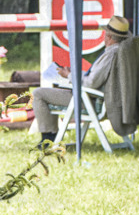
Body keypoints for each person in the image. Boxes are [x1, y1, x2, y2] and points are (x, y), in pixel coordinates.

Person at [32, 15, 131, 146]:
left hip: (93, 101)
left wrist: (68, 76)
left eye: (106, 34)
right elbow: (98, 77)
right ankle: (50, 136)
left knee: (39, 94)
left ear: (110, 37)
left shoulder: (110, 55)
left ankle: (48, 138)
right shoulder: (125, 53)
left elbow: (91, 83)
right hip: (112, 101)